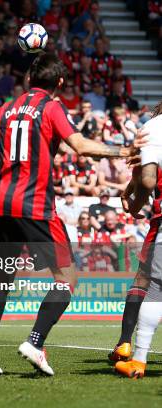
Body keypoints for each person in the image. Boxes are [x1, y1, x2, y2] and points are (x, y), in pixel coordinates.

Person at [0, 53, 138, 376]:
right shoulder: (51, 107)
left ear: (30, 79)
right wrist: (124, 151)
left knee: (2, 278)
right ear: (59, 83)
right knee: (67, 277)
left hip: (1, 205)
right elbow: (81, 146)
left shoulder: (4, 108)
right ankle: (34, 341)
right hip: (35, 206)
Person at [111, 102, 161, 376]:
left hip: (160, 222)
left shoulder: (153, 131)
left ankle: (126, 344)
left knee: (147, 281)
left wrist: (131, 202)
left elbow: (145, 178)